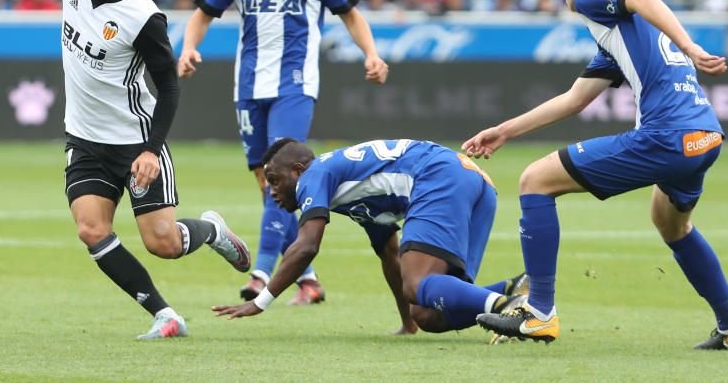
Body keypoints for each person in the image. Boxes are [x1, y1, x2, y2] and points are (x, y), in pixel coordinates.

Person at [464, 0, 728, 350]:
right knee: (670, 222)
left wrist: (690, 45)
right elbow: (574, 99)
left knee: (534, 180)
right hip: (704, 138)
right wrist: (505, 131)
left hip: (666, 137)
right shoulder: (619, 36)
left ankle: (539, 312)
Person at [1, 0, 251, 340]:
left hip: (134, 142)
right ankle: (165, 315)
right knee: (91, 229)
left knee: (164, 243)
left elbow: (169, 84)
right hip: (85, 139)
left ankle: (213, 231)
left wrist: (151, 150)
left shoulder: (143, 17)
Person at [179, 0, 389, 305]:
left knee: (284, 171)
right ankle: (308, 279)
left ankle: (260, 272)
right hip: (248, 85)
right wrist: (188, 47)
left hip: (295, 84)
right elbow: (203, 13)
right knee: (268, 183)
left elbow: (350, 14)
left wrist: (371, 54)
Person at [212, 138, 528, 334]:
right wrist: (408, 323)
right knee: (430, 313)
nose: (272, 190)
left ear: (297, 170)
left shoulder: (314, 175)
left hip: (440, 175)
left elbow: (307, 246)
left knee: (417, 283)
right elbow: (390, 255)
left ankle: (508, 307)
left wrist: (262, 301)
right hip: (475, 182)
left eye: (274, 179)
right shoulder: (355, 189)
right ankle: (516, 289)